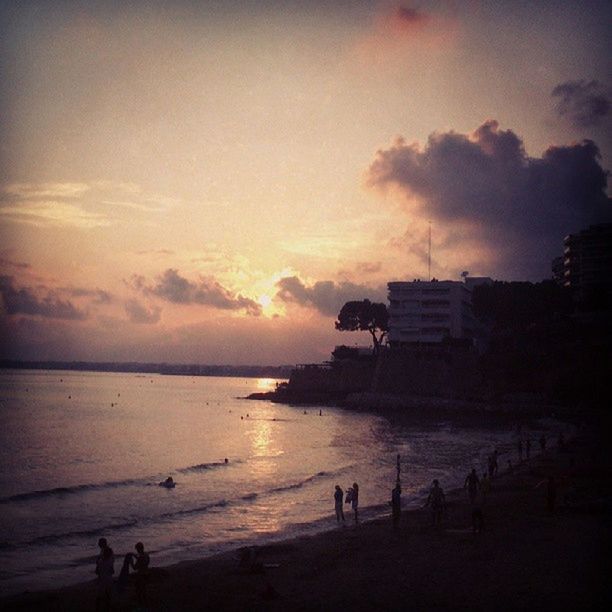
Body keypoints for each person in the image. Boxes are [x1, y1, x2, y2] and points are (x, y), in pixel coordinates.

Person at [95, 538, 115, 612]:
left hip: (104, 577)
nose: (98, 544)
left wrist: (98, 564)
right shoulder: (108, 551)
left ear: (102, 543)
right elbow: (112, 561)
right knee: (107, 594)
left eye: (99, 543)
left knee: (100, 595)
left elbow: (99, 563)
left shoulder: (104, 554)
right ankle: (107, 607)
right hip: (108, 576)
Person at [131, 542, 150, 606]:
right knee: (144, 589)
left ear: (138, 549)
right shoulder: (147, 555)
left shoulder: (139, 558)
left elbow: (134, 568)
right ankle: (145, 602)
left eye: (136, 549)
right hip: (146, 573)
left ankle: (141, 603)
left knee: (139, 590)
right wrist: (135, 556)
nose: (136, 550)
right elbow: (143, 559)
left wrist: (131, 562)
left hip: (140, 575)